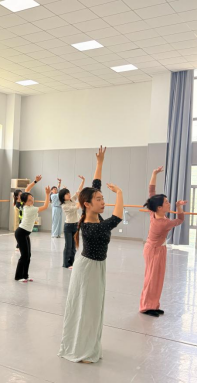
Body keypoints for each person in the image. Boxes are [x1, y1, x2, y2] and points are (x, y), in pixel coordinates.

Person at [59, 146, 124, 364]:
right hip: (88, 270)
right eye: (99, 199)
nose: (103, 201)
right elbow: (117, 218)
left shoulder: (95, 218)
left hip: (96, 268)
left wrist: (99, 163)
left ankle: (88, 345)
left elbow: (95, 185)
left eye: (103, 198)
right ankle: (81, 349)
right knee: (86, 309)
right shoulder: (91, 226)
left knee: (93, 309)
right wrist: (120, 193)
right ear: (87, 204)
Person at [140, 166, 187, 317]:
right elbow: (180, 220)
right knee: (151, 279)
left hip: (157, 249)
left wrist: (154, 174)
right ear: (160, 207)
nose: (168, 203)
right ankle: (146, 307)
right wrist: (179, 207)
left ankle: (153, 305)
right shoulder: (163, 223)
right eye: (166, 202)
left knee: (157, 278)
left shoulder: (153, 212)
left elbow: (151, 192)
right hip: (154, 251)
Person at [15, 186, 51, 283]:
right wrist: (47, 194)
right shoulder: (30, 209)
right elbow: (45, 206)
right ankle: (18, 277)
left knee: (28, 255)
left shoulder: (29, 206)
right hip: (21, 233)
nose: (32, 201)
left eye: (32, 199)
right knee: (24, 256)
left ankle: (25, 276)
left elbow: (26, 191)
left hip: (25, 233)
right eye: (30, 200)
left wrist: (34, 182)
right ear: (25, 202)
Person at [59, 176, 85, 269]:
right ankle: (66, 264)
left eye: (68, 193)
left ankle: (71, 263)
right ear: (62, 197)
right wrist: (81, 200)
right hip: (68, 226)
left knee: (74, 247)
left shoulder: (72, 200)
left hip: (76, 225)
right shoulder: (64, 205)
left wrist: (83, 181)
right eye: (66, 194)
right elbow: (76, 207)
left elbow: (78, 191)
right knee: (68, 246)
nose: (69, 195)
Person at [14, 176, 42, 250]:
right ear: (17, 197)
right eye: (20, 194)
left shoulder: (25, 202)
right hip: (22, 224)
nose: (22, 195)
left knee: (25, 238)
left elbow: (28, 188)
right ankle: (19, 246)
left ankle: (20, 246)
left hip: (26, 224)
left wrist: (35, 181)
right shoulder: (20, 204)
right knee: (22, 236)